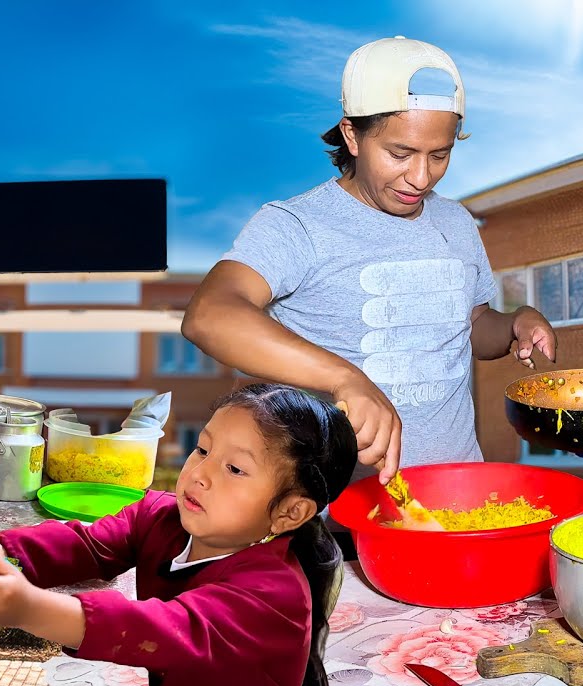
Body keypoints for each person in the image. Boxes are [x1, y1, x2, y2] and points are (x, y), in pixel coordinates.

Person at [181, 36, 556, 485]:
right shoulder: (296, 225)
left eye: (440, 155)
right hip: (335, 510)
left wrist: (515, 322)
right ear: (352, 135)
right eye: (400, 154)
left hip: (455, 488)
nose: (420, 177)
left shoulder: (455, 223)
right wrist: (345, 378)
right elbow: (208, 317)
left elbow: (470, 327)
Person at [0, 384, 357, 686]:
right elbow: (86, 544)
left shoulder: (273, 593)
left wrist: (26, 607)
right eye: (202, 449)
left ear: (290, 512)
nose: (200, 474)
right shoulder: (162, 517)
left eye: (235, 468)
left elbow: (160, 629)